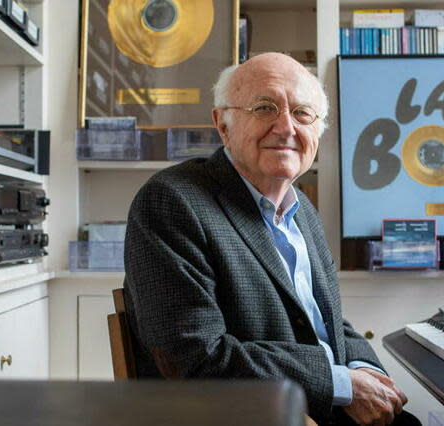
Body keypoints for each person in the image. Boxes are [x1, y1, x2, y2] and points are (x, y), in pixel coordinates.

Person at [123, 53, 418, 426]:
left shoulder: (303, 211)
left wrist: (366, 373)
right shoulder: (172, 202)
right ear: (223, 124)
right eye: (265, 108)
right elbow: (194, 357)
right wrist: (343, 384)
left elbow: (329, 324)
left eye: (303, 113)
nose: (286, 127)